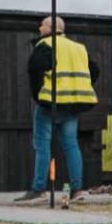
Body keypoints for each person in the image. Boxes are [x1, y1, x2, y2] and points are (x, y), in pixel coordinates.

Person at [16, 16, 100, 203]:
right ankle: (77, 190)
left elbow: (35, 70)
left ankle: (39, 189)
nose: (40, 28)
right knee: (71, 145)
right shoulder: (78, 48)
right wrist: (79, 88)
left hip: (49, 103)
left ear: (52, 28)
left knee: (42, 145)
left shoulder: (45, 45)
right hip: (72, 105)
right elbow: (95, 69)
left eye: (43, 25)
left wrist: (38, 95)